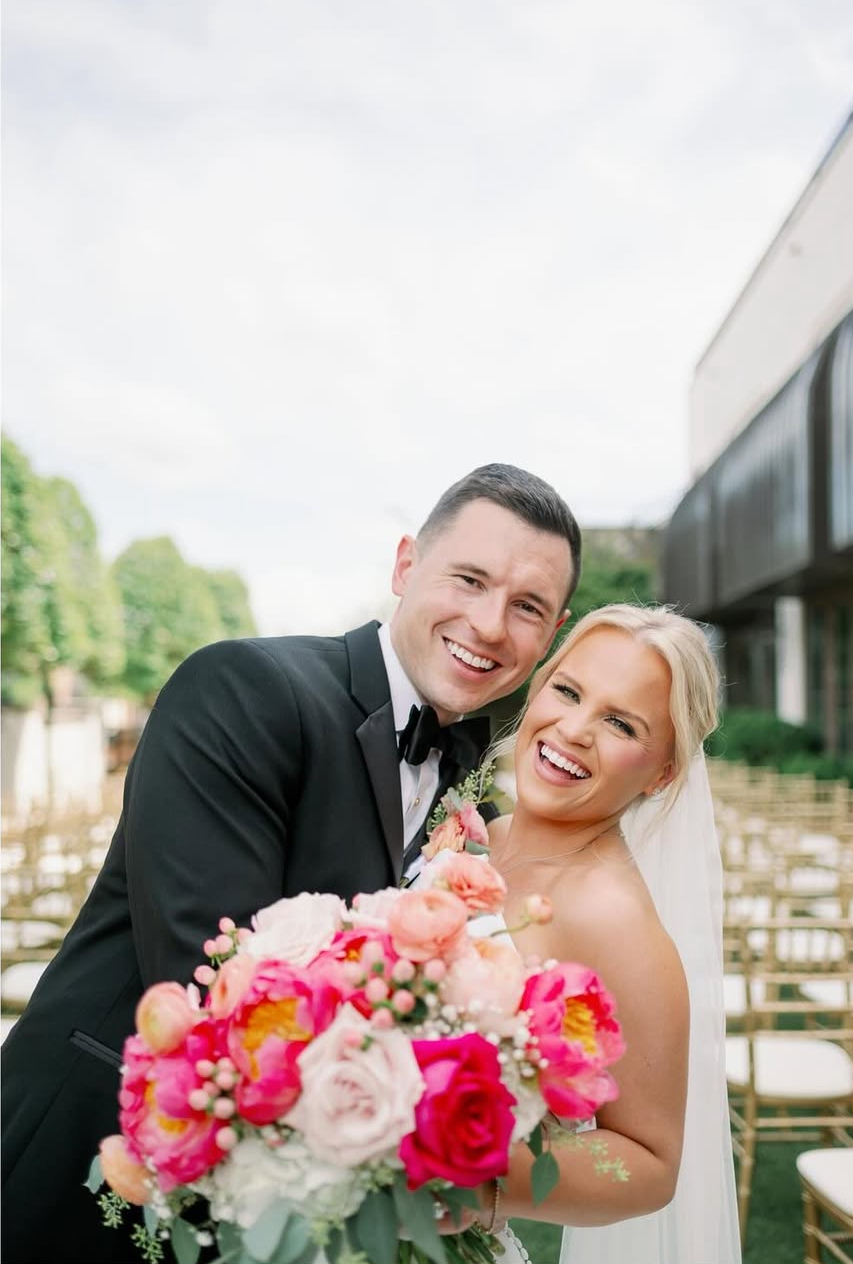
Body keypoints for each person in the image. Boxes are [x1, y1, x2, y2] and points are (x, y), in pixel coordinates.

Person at [0, 463, 580, 1264]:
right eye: (469, 579)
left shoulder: (466, 767)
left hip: (288, 1208)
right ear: (406, 565)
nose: (488, 624)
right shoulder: (245, 688)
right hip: (98, 1166)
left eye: (527, 608)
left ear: (551, 632)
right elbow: (213, 972)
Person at [473, 604, 741, 1264]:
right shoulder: (474, 835)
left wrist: (466, 1180)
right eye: (567, 690)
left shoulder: (613, 917)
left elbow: (650, 1164)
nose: (573, 729)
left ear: (661, 773)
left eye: (620, 723)